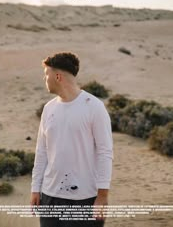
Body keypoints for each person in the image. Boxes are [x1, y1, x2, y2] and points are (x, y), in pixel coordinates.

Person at [30, 52, 113, 227]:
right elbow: (42, 152)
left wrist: (103, 196)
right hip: (50, 197)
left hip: (85, 199)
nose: (45, 79)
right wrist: (35, 189)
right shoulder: (48, 109)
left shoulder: (94, 107)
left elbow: (105, 153)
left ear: (58, 76)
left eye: (47, 75)